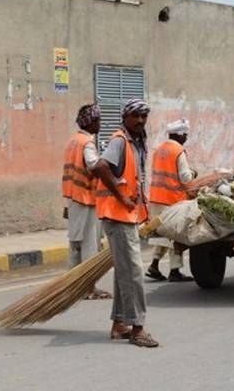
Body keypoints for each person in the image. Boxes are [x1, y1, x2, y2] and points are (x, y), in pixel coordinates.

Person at [94, 98, 159, 348]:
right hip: (116, 214)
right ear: (126, 118)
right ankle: (138, 328)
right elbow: (101, 167)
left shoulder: (136, 142)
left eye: (144, 116)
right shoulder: (120, 140)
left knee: (125, 271)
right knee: (134, 272)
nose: (141, 121)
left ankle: (120, 324)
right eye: (136, 116)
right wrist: (121, 196)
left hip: (126, 215)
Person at [62, 104, 112, 300]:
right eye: (98, 120)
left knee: (75, 243)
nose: (100, 124)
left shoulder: (73, 141)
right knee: (90, 246)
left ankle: (71, 284)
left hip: (73, 198)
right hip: (87, 199)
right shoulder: (87, 143)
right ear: (91, 122)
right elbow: (94, 164)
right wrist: (112, 176)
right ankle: (88, 288)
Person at [146, 118, 196, 282]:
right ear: (180, 135)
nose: (186, 138)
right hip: (171, 200)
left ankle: (154, 265)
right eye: (185, 135)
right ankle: (174, 271)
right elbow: (185, 178)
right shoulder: (178, 151)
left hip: (156, 198)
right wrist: (193, 173)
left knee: (163, 233)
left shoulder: (159, 149)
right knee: (175, 235)